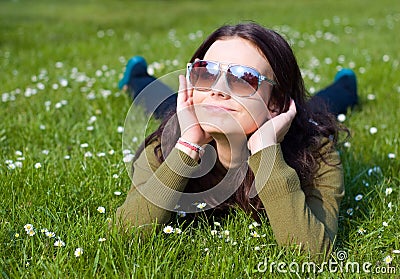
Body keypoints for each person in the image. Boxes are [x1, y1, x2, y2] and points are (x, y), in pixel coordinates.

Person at [115, 22, 356, 258]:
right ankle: (137, 76)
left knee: (318, 110)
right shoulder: (167, 142)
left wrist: (266, 150)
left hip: (290, 125)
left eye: (243, 78)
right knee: (163, 103)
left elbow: (312, 253)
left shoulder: (313, 151)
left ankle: (346, 85)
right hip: (194, 119)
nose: (217, 89)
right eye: (206, 72)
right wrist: (187, 146)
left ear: (275, 103)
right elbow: (125, 234)